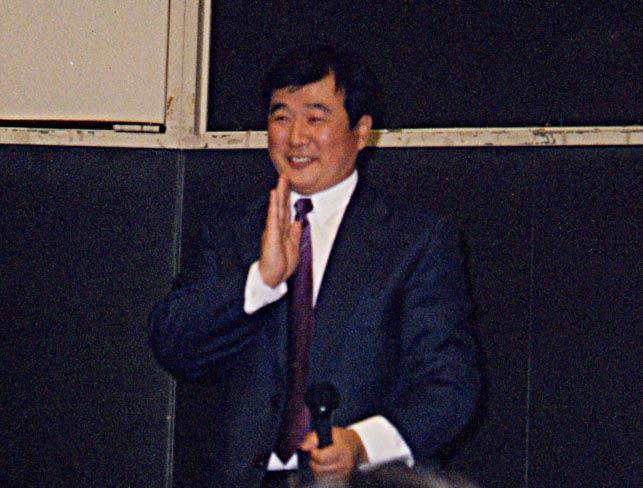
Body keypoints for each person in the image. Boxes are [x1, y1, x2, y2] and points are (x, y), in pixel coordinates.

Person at [149, 44, 480, 488]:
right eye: (281, 117)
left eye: (315, 118)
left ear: (361, 131)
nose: (296, 137)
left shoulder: (414, 241)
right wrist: (260, 282)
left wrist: (361, 444)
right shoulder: (231, 235)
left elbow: (451, 385)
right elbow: (173, 346)